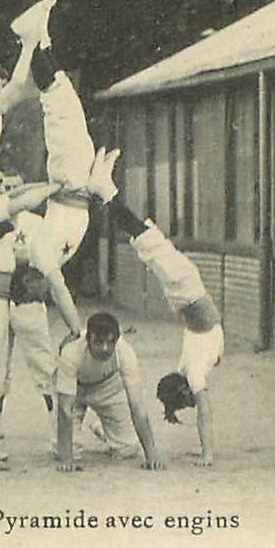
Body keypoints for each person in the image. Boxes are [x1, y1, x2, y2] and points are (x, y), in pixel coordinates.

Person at [87, 147, 222, 465]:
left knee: (144, 238)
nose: (196, 400)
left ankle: (104, 189)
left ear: (185, 390)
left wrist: (207, 453)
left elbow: (205, 410)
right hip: (187, 293)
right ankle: (104, 188)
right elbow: (199, 406)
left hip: (188, 292)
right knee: (145, 239)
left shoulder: (194, 371)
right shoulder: (189, 368)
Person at [4, 0, 96, 339]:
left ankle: (31, 38)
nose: (44, 294)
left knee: (60, 102)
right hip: (74, 182)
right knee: (62, 102)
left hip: (70, 181)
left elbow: (61, 292)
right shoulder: (38, 243)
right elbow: (21, 206)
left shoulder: (42, 257)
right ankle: (39, 36)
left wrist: (77, 329)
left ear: (29, 282)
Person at [54, 312, 165, 473]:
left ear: (117, 340)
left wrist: (152, 455)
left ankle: (101, 428)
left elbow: (138, 407)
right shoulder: (71, 352)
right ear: (88, 339)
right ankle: (70, 444)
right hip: (74, 390)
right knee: (61, 450)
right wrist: (66, 459)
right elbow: (65, 409)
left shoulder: (126, 353)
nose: (105, 348)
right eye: (99, 342)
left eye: (110, 342)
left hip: (107, 387)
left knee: (128, 449)